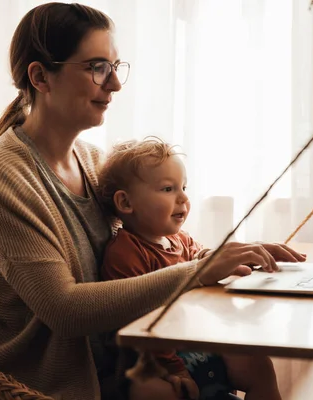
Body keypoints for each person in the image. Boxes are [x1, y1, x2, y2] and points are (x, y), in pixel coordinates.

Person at [0, 3, 306, 400]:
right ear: (41, 76)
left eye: (115, 67)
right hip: (53, 384)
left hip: (127, 359)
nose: (115, 85)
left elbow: (148, 250)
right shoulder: (1, 178)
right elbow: (65, 311)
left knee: (253, 360)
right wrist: (199, 271)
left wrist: (234, 256)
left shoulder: (92, 161)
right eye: (96, 68)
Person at [99, 138, 296, 400]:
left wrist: (231, 259)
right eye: (168, 189)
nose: (183, 197)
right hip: (151, 359)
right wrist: (175, 369)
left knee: (258, 364)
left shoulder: (179, 239)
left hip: (195, 342)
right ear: (125, 203)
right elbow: (138, 323)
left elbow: (200, 254)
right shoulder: (125, 253)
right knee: (153, 390)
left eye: (183, 187)